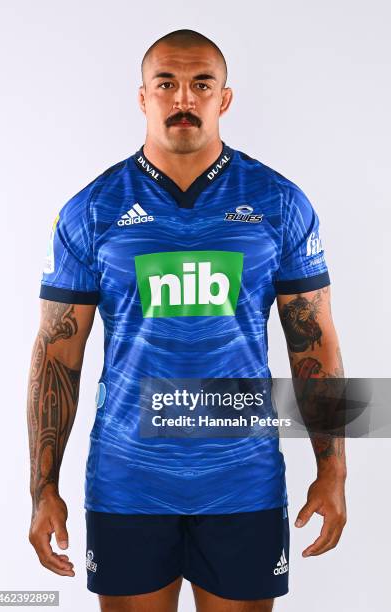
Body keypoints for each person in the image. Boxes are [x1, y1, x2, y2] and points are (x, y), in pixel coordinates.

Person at [27, 29, 347, 612]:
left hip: (244, 481)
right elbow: (56, 357)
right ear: (143, 97)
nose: (183, 98)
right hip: (127, 483)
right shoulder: (92, 209)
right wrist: (41, 488)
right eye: (166, 84)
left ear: (223, 99)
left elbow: (316, 344)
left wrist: (334, 472)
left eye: (201, 84)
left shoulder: (279, 202)